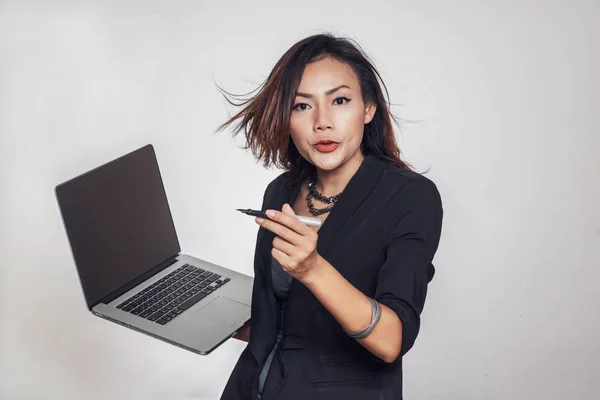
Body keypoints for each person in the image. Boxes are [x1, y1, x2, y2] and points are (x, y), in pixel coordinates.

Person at [215, 33, 443, 400]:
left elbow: (391, 340)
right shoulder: (282, 191)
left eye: (339, 100)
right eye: (302, 106)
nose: (322, 122)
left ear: (368, 108)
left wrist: (312, 269)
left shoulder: (410, 196)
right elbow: (287, 320)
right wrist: (212, 316)